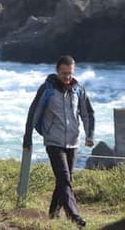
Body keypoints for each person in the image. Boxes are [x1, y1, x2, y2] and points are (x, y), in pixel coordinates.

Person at [23, 55, 95, 227]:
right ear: (57, 71)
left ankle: (53, 214)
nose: (67, 77)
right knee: (64, 177)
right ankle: (74, 216)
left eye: (70, 73)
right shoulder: (47, 89)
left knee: (66, 178)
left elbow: (87, 113)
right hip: (53, 140)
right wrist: (28, 139)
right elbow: (34, 113)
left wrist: (89, 135)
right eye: (64, 73)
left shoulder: (78, 89)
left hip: (73, 141)